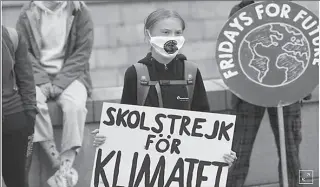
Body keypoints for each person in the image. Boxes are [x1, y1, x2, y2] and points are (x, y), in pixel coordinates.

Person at [92, 8, 237, 167]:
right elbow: (125, 124)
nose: (172, 38)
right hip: (146, 165)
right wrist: (107, 135)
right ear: (148, 35)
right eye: (165, 32)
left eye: (177, 33)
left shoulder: (192, 72)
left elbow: (206, 124)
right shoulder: (135, 73)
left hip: (183, 165)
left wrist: (220, 151)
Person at [226, 1, 312, 186]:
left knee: (291, 152)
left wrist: (305, 85)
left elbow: (307, 49)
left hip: (287, 89)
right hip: (248, 92)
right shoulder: (241, 11)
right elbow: (232, 51)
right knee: (237, 152)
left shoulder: (291, 12)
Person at [16, 1, 93, 186]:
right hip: (38, 76)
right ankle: (55, 160)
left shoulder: (80, 11)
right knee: (31, 101)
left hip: (72, 75)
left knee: (74, 106)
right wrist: (41, 80)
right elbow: (23, 52)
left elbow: (82, 53)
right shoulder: (27, 13)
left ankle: (66, 165)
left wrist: (60, 82)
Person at [2, 25, 38, 187]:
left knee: (17, 181)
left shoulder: (12, 36)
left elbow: (26, 79)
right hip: (15, 118)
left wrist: (30, 116)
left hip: (13, 120)